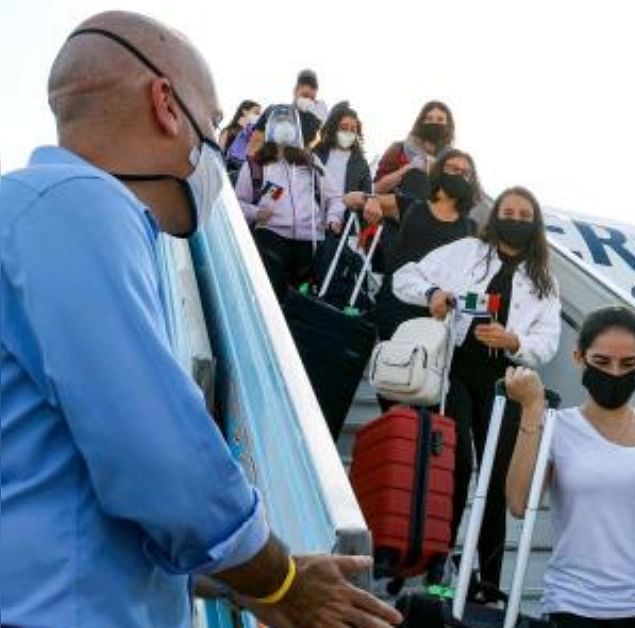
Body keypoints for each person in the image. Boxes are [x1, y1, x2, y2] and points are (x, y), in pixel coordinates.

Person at [0, 12, 400, 627]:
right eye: (212, 122)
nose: (217, 145)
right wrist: (281, 581)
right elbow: (154, 459)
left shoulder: (35, 216)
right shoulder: (80, 203)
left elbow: (60, 489)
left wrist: (232, 576)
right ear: (166, 102)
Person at [393, 185, 561, 599]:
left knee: (497, 479)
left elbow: (549, 340)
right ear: (495, 215)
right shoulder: (466, 251)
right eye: (509, 212)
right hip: (457, 373)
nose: (516, 220)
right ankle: (439, 566)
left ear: (534, 224)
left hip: (505, 383)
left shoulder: (543, 279)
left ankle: (486, 580)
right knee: (458, 467)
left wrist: (514, 341)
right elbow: (404, 276)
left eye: (525, 215)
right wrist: (432, 294)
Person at [504, 306, 635, 628]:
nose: (615, 373)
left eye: (628, 363)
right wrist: (532, 408)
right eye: (602, 362)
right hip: (574, 605)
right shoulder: (557, 427)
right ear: (579, 357)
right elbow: (518, 501)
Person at [358, 148, 481, 364]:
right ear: (439, 171)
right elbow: (351, 198)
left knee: (418, 387)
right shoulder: (411, 207)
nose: (459, 175)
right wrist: (371, 200)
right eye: (453, 168)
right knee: (398, 381)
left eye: (465, 172)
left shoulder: (471, 229)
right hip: (397, 304)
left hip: (437, 318)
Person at [234, 104, 362, 299]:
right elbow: (236, 206)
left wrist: (333, 217)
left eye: (289, 122)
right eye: (278, 122)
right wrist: (256, 213)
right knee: (271, 297)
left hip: (309, 244)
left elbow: (335, 196)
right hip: (271, 239)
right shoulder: (255, 165)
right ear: (269, 127)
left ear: (297, 128)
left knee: (303, 302)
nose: (284, 126)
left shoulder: (310, 162)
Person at [374, 100, 455, 196]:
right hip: (400, 207)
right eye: (429, 119)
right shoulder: (398, 149)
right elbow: (377, 188)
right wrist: (407, 169)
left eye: (440, 119)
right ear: (421, 122)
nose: (434, 123)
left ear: (448, 124)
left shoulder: (454, 159)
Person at [313, 101, 372, 196]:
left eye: (353, 129)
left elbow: (367, 196)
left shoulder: (360, 163)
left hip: (347, 210)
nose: (348, 132)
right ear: (333, 128)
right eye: (344, 128)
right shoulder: (317, 154)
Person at [293, 68, 328, 146]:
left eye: (312, 86)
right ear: (296, 89)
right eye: (303, 84)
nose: (307, 89)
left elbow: (325, 137)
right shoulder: (284, 112)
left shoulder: (320, 110)